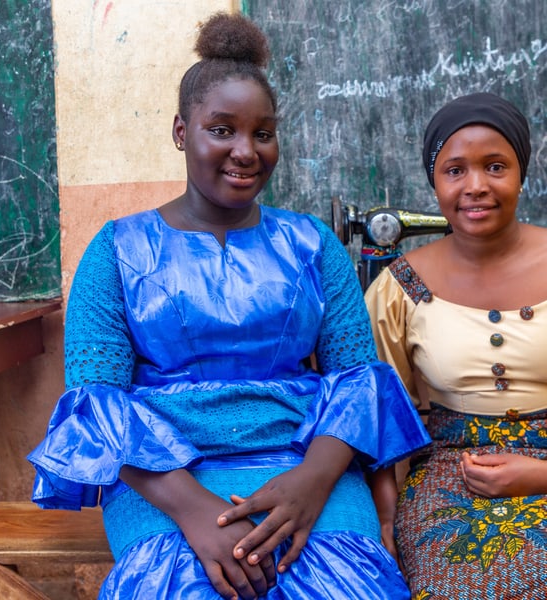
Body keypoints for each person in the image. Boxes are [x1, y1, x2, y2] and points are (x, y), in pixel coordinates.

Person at [28, 12, 429, 600]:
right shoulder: (118, 249)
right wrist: (196, 515)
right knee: (185, 585)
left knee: (342, 585)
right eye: (222, 129)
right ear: (180, 131)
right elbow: (99, 404)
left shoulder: (312, 243)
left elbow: (355, 383)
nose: (246, 151)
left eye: (262, 133)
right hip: (166, 479)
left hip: (306, 461)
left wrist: (310, 485)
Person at [365, 92, 547, 600]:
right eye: (454, 170)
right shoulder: (401, 286)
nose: (476, 187)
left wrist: (540, 474)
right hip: (449, 472)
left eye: (495, 166)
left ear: (521, 172)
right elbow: (380, 417)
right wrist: (386, 516)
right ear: (434, 180)